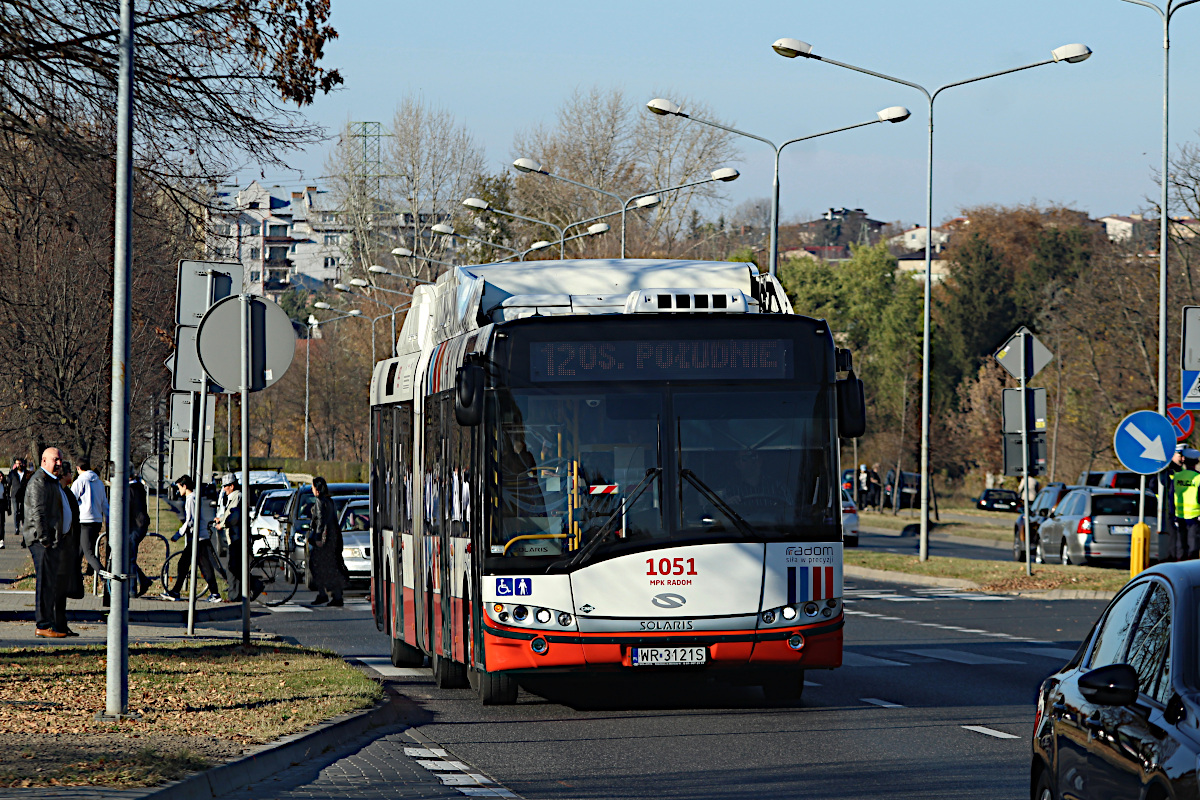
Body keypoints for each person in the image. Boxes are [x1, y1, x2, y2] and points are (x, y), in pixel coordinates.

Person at [21, 447, 69, 637]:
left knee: (51, 584)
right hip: (42, 542)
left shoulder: (51, 480)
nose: (58, 463)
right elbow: (38, 513)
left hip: (52, 541)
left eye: (60, 459)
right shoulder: (39, 481)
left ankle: (52, 623)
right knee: (45, 584)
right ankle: (43, 625)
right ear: (44, 461)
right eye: (55, 459)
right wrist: (46, 540)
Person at [162, 475, 221, 602]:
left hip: (198, 539)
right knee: (185, 564)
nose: (178, 491)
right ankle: (176, 592)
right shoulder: (192, 498)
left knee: (204, 566)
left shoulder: (191, 499)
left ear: (184, 486)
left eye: (179, 487)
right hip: (197, 538)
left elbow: (190, 520)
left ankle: (215, 594)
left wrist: (178, 534)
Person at [307, 476, 346, 607]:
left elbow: (321, 520)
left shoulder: (319, 501)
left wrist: (317, 538)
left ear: (316, 489)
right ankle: (337, 595)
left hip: (324, 539)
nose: (312, 489)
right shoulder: (330, 501)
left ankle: (323, 594)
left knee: (314, 565)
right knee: (331, 567)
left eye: (312, 487)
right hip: (333, 538)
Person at [54, 462, 83, 635]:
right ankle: (57, 623)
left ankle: (61, 623)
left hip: (69, 546)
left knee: (62, 588)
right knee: (58, 588)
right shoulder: (57, 493)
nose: (72, 474)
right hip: (60, 547)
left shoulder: (67, 493)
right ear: (63, 475)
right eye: (69, 472)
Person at [70, 460, 108, 580]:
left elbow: (71, 501)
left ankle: (104, 575)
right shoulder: (99, 483)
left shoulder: (79, 481)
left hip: (84, 520)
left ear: (78, 468)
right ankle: (78, 574)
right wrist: (108, 519)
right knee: (83, 548)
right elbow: (104, 503)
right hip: (96, 520)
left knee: (88, 552)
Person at [214, 474, 245, 601]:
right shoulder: (233, 497)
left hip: (237, 537)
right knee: (235, 566)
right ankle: (238, 593)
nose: (224, 489)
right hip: (233, 537)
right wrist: (220, 519)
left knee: (232, 568)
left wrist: (222, 524)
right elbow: (228, 514)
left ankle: (234, 596)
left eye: (225, 486)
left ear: (232, 486)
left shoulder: (237, 496)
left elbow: (234, 517)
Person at [128, 472, 153, 597]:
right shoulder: (138, 486)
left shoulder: (131, 489)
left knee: (130, 558)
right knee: (128, 557)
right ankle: (143, 581)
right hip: (138, 525)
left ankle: (132, 590)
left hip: (135, 527)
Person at [1172, 449, 1200, 561]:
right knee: (1193, 545)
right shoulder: (1198, 478)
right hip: (1195, 516)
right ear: (1196, 462)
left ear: (1184, 461)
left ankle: (1180, 566)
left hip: (1179, 515)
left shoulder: (1177, 477)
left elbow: (1171, 495)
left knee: (1181, 545)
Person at [7, 458, 29, 548]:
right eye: (17, 464)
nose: (18, 465)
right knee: (16, 511)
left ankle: (23, 525)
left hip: (24, 495)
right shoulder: (12, 473)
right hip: (15, 495)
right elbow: (8, 483)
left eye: (20, 463)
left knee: (23, 511)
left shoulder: (26, 473)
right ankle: (16, 527)